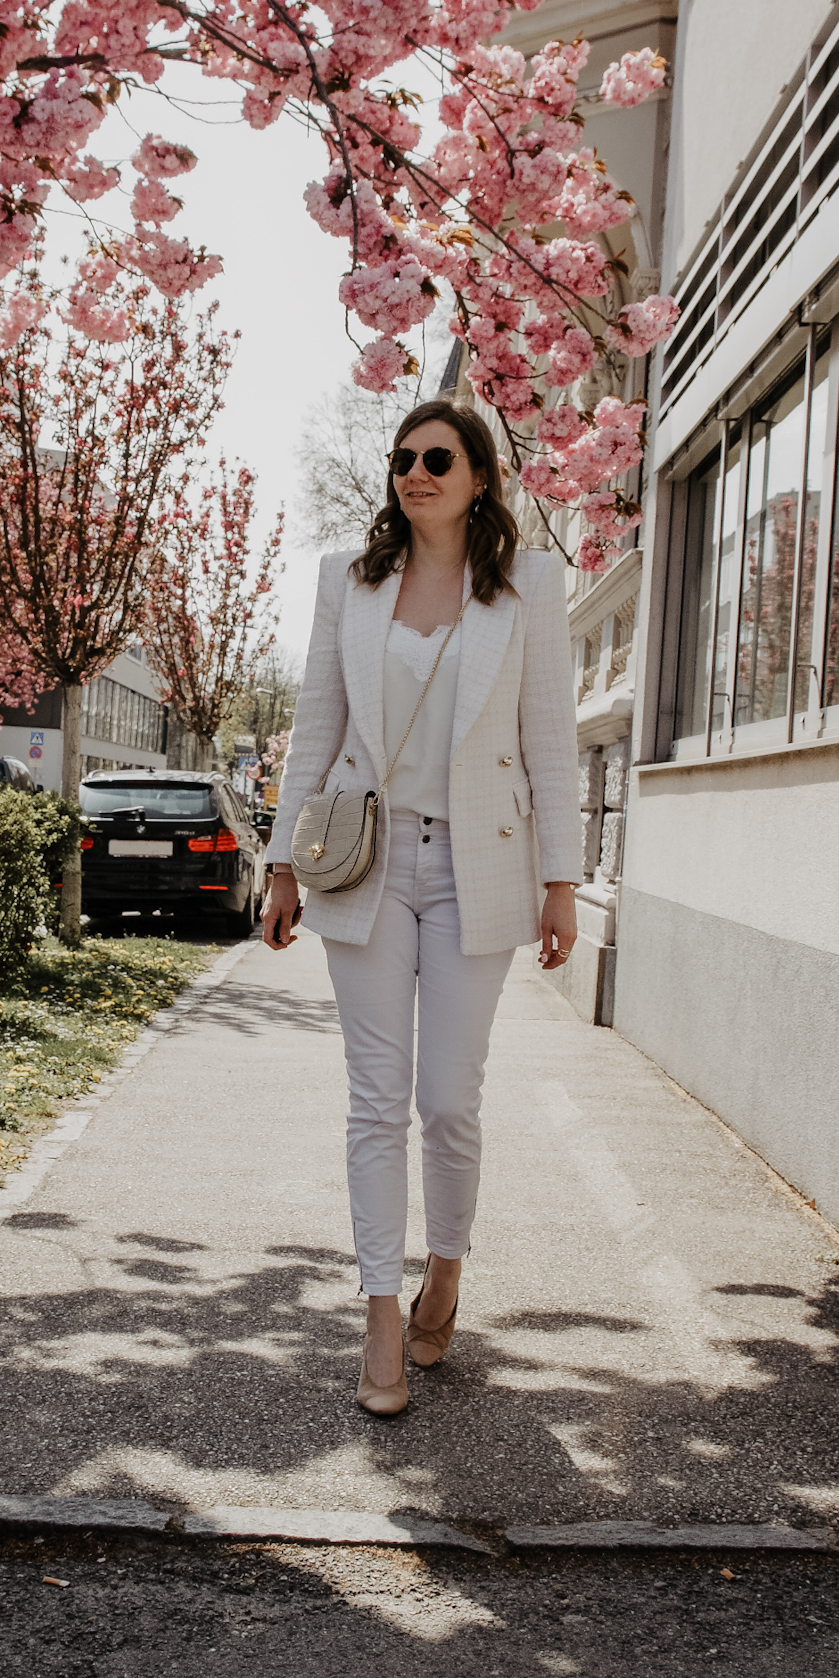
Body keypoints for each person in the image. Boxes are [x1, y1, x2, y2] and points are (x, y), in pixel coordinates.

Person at [262, 395, 582, 1415]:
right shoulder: (348, 583)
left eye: (437, 456)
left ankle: (446, 1264)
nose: (415, 471)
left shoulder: (527, 585)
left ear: (480, 476)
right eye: (402, 457)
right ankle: (380, 1312)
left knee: (447, 1097)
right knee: (373, 1096)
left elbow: (551, 743)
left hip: (476, 867)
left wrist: (561, 882)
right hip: (367, 862)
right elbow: (314, 726)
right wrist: (279, 865)